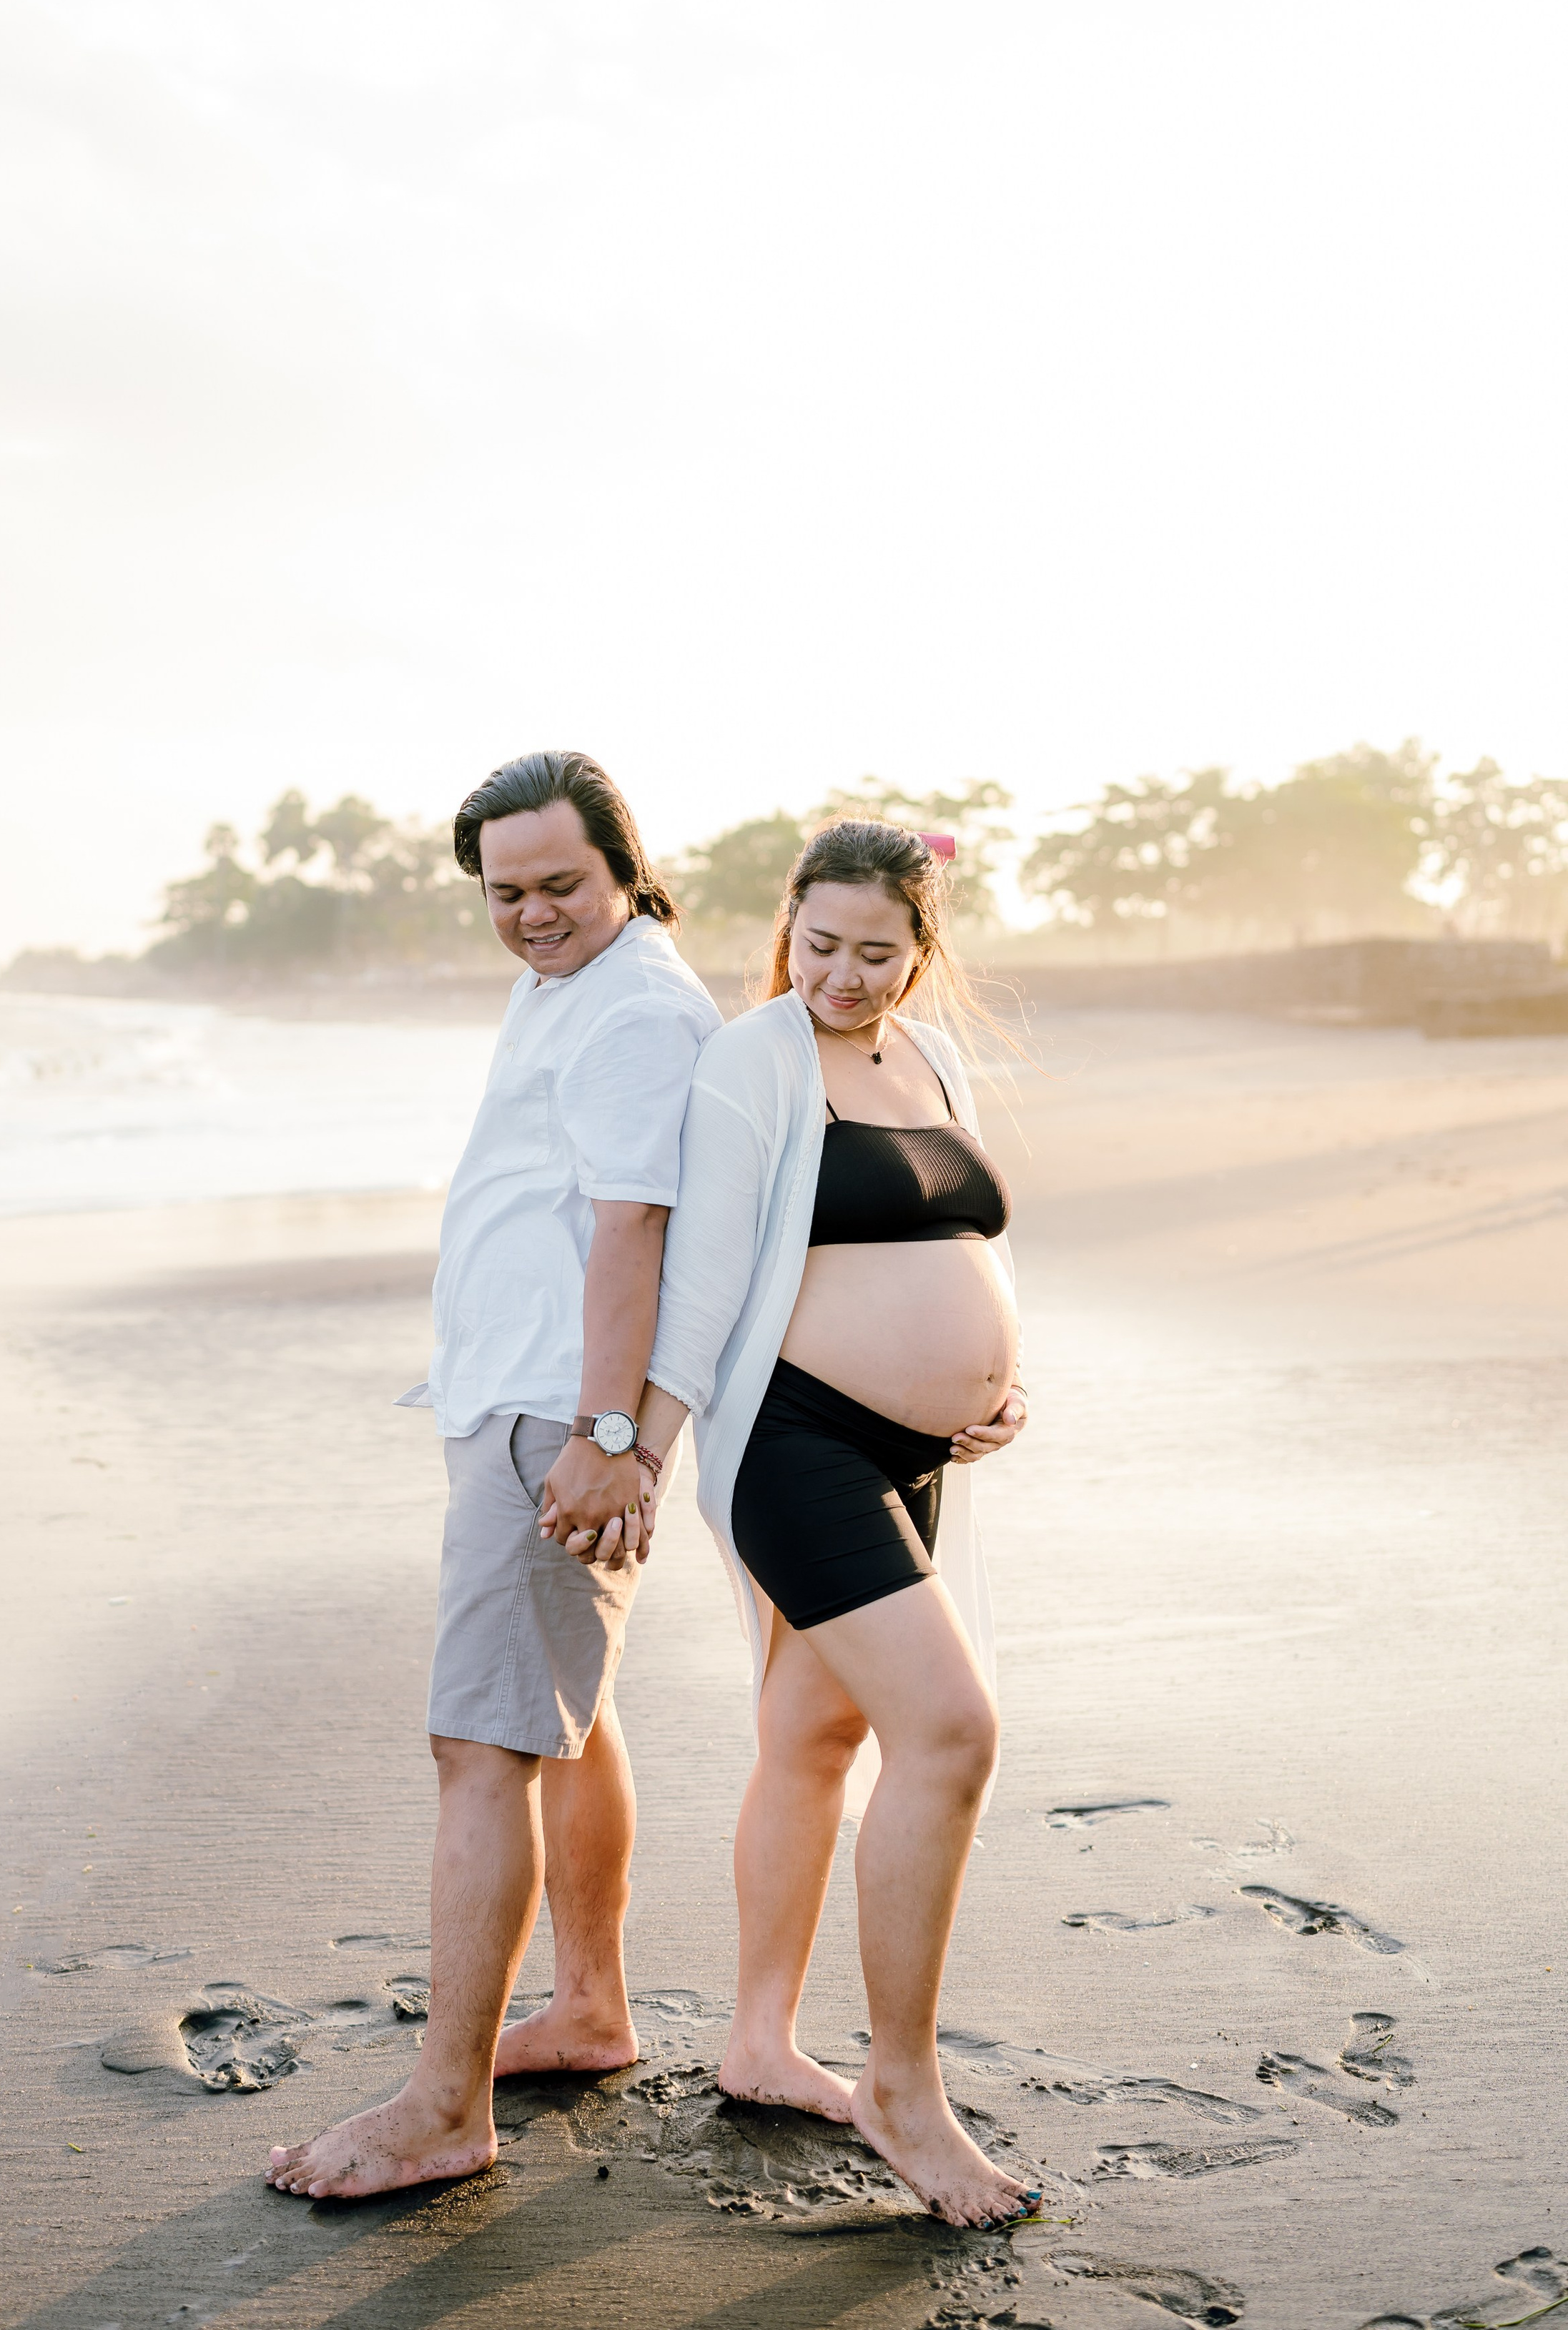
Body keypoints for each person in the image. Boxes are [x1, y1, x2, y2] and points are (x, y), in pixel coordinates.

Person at [544, 818, 1035, 2228]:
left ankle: (760, 2044)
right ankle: (902, 2085)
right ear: (789, 929)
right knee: (947, 1732)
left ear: (917, 950)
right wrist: (632, 1452)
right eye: (817, 945)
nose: (840, 973)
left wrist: (1004, 1378)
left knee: (812, 1736)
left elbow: (974, 1240)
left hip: (916, 1451)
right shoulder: (754, 1060)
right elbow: (697, 1284)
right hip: (796, 1449)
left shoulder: (927, 1057)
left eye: (874, 952)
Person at [267, 750, 719, 2202]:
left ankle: (444, 2109)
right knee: (561, 1726)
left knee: (481, 1749)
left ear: (625, 867)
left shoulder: (637, 1008)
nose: (530, 914)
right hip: (523, 1401)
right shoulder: (577, 983)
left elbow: (632, 1233)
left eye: (558, 885)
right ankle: (587, 2007)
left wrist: (604, 1438)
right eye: (503, 891)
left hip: (551, 1416)